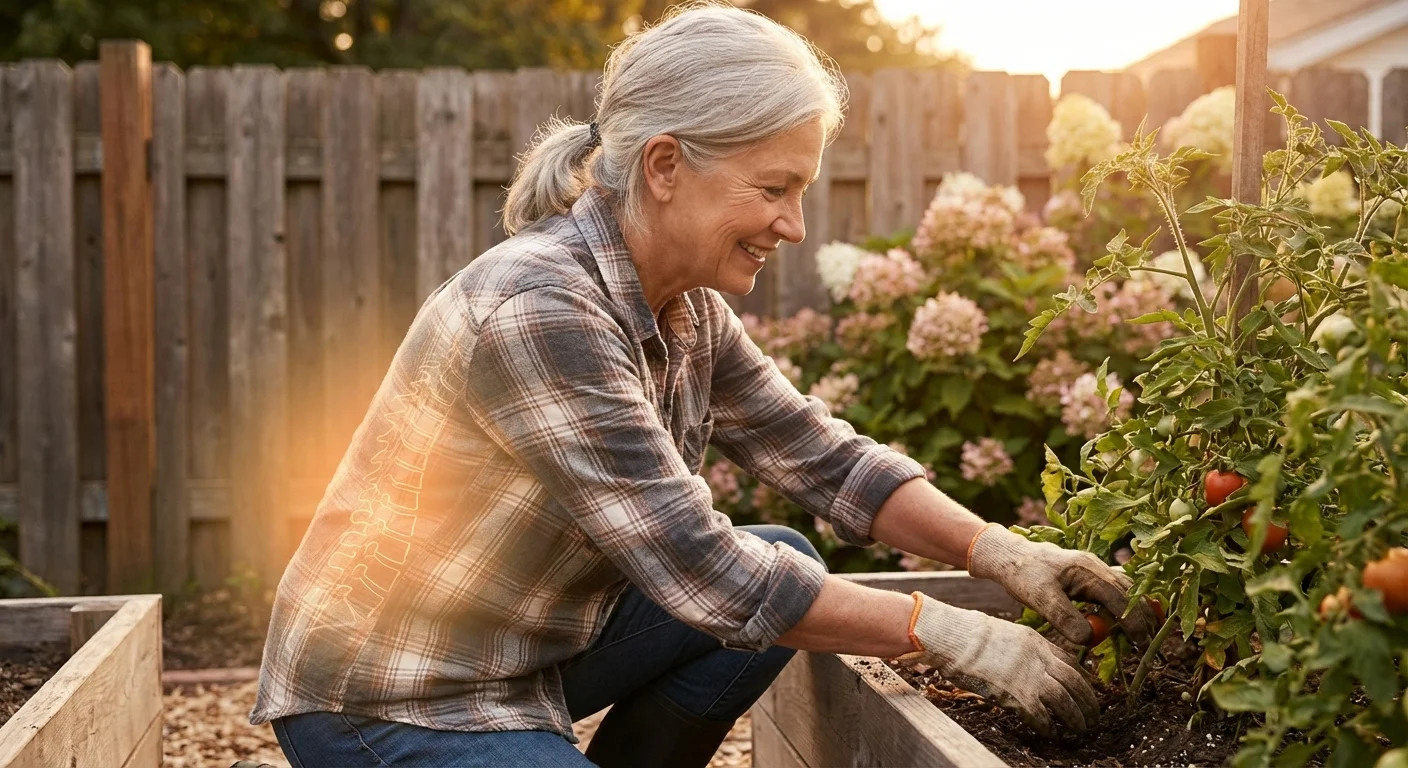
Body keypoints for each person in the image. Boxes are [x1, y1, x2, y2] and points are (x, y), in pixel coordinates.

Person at [250, 3, 1156, 766]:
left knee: (790, 561)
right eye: (774, 188)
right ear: (666, 166)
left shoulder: (682, 307)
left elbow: (819, 455)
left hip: (515, 651)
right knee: (755, 582)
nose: (793, 225)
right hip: (388, 690)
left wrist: (999, 553)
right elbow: (703, 567)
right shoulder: (542, 308)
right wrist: (958, 634)